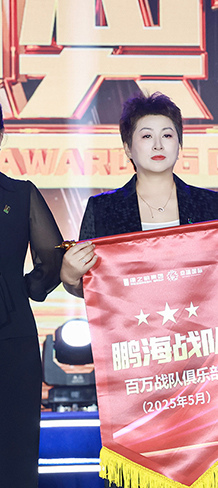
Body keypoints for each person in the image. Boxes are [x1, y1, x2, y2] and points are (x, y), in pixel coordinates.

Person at [60, 92, 218, 295]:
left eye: (167, 135)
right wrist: (70, 278)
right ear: (128, 148)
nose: (158, 145)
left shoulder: (208, 203)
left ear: (179, 145)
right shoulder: (102, 209)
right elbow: (93, 289)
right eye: (147, 136)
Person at [0, 105, 64, 486]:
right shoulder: (19, 195)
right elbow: (49, 265)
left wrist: (19, 289)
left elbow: (53, 260)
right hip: (13, 324)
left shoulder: (20, 194)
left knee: (15, 454)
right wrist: (19, 289)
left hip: (13, 338)